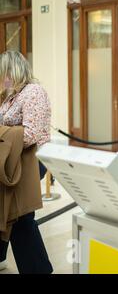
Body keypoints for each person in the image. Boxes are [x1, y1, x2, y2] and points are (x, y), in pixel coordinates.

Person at [0, 51, 53, 274]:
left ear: (14, 71)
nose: (2, 78)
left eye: (4, 73)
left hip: (29, 162)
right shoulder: (10, 96)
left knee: (21, 217)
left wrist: (2, 132)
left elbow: (30, 134)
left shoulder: (33, 92)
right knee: (10, 214)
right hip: (12, 161)